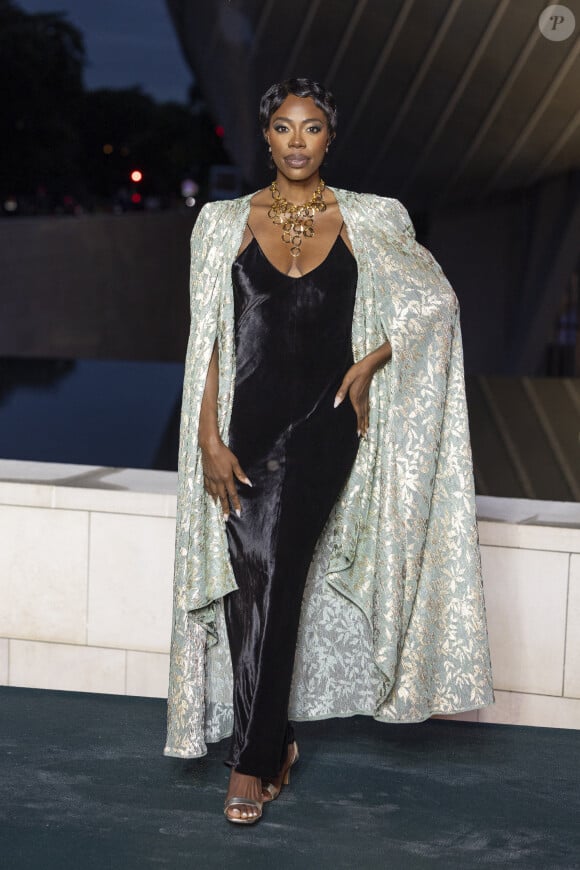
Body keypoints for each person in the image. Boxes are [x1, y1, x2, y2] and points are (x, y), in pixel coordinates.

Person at [163, 78, 494, 825]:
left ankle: (250, 764)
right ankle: (274, 742)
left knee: (273, 564)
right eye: (283, 128)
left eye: (312, 128)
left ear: (328, 138)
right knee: (250, 581)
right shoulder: (222, 223)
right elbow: (208, 341)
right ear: (267, 137)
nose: (298, 142)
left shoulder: (368, 218)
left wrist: (372, 360)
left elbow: (436, 304)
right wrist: (209, 438)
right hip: (243, 427)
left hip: (323, 424)